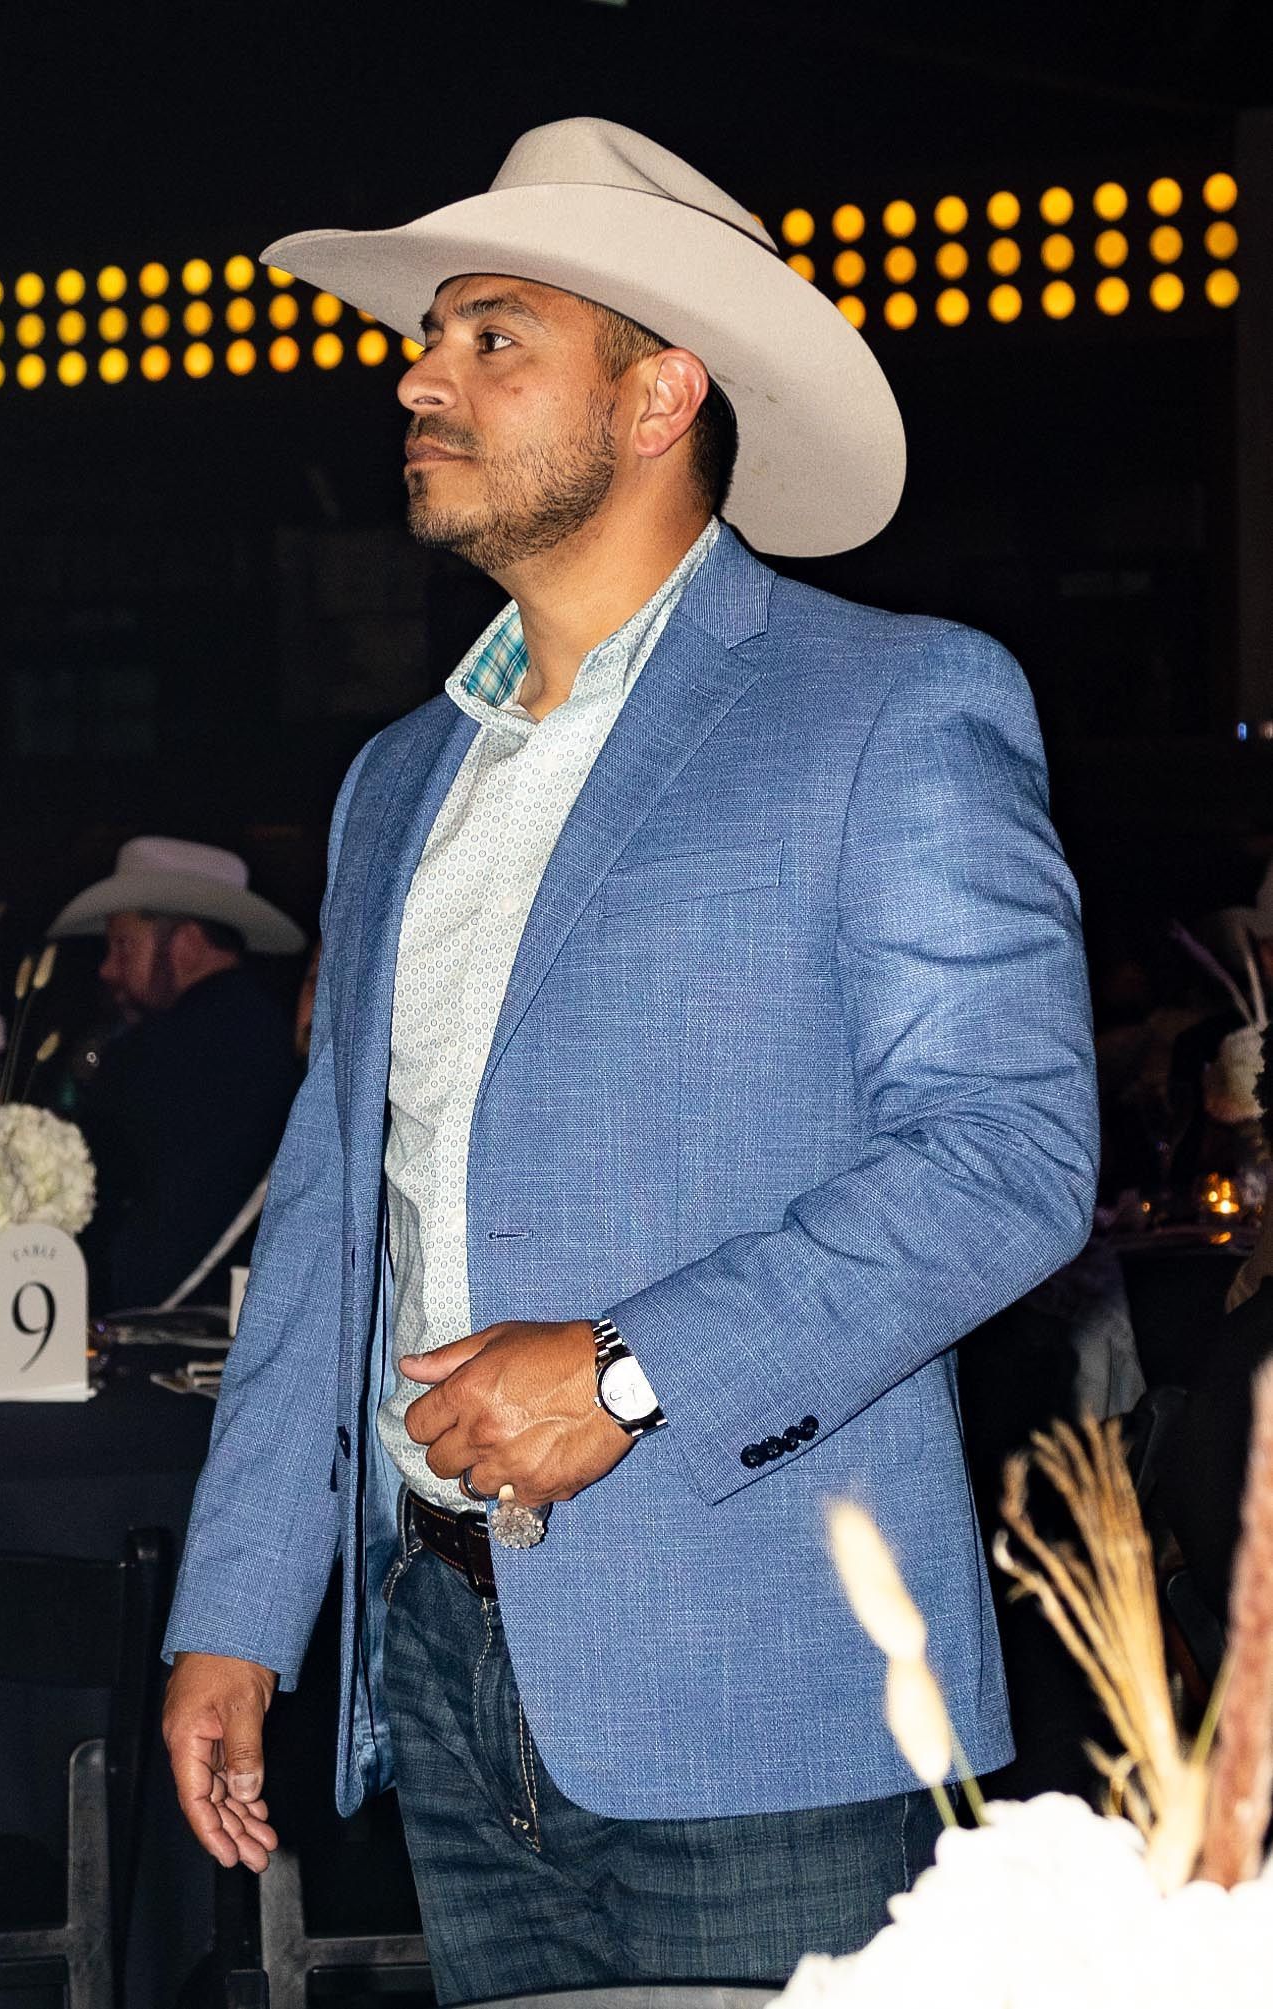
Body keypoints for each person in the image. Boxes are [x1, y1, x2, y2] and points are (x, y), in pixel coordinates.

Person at [161, 119, 1098, 1999]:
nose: (419, 375)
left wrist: (628, 1367)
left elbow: (1008, 1154)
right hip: (442, 1659)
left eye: (492, 333)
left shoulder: (891, 704)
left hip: (771, 1679)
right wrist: (241, 1609)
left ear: (660, 390)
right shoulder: (393, 780)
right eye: (430, 337)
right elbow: (340, 1217)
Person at [49, 836, 305, 1310]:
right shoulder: (262, 1028)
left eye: (123, 946)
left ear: (185, 944)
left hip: (162, 1313)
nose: (107, 969)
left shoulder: (167, 1048)